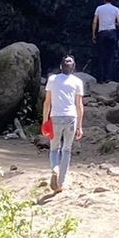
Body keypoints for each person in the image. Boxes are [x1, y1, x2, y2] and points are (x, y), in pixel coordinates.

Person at [41, 55, 86, 192]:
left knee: (54, 149)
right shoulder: (78, 82)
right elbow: (79, 105)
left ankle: (55, 168)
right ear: (74, 67)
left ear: (61, 66)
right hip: (71, 118)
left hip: (55, 117)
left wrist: (45, 121)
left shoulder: (52, 79)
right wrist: (79, 126)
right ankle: (60, 183)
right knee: (66, 150)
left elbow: (47, 102)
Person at [90, 0, 119, 83]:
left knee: (101, 55)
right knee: (110, 56)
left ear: (104, 0)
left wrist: (93, 34)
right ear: (112, 0)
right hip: (112, 33)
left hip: (102, 33)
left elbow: (94, 22)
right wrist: (117, 27)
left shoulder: (99, 8)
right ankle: (108, 78)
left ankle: (100, 78)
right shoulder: (116, 9)